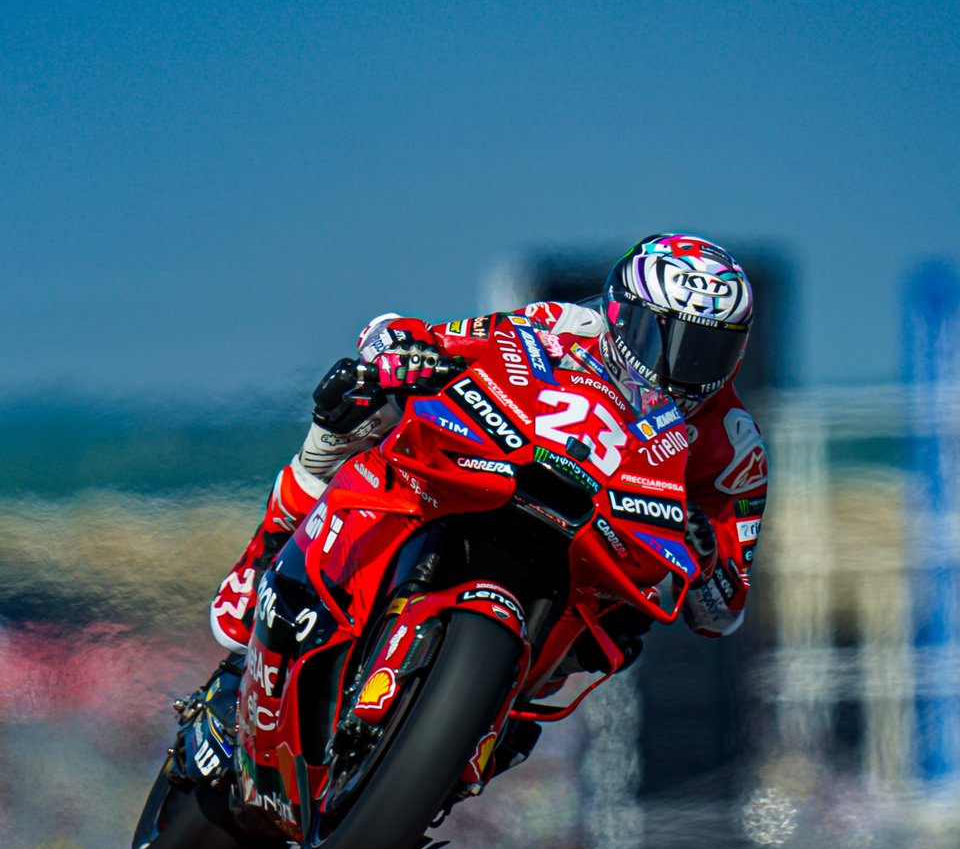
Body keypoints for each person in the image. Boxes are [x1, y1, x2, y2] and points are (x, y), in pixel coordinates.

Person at [210, 234, 767, 667]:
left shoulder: (736, 450)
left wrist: (708, 561)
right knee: (357, 401)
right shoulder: (565, 324)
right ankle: (267, 553)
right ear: (621, 315)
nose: (682, 368)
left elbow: (725, 613)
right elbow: (429, 336)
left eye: (707, 351)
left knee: (623, 636)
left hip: (598, 556)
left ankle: (498, 730)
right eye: (663, 337)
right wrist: (402, 354)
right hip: (504, 466)